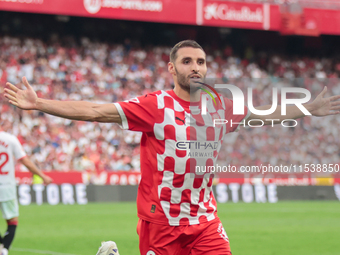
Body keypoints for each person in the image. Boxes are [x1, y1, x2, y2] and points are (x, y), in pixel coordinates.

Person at [4, 40, 340, 255]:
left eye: (201, 62)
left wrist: (308, 107)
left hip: (204, 219)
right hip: (161, 221)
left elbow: (264, 115)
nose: (196, 67)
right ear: (172, 68)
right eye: (188, 61)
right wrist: (40, 104)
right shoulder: (155, 107)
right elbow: (96, 110)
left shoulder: (219, 106)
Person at [0, 121, 53, 255]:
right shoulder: (10, 139)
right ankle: (5, 248)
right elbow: (25, 161)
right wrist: (42, 175)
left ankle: (1, 246)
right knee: (12, 220)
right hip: (7, 186)